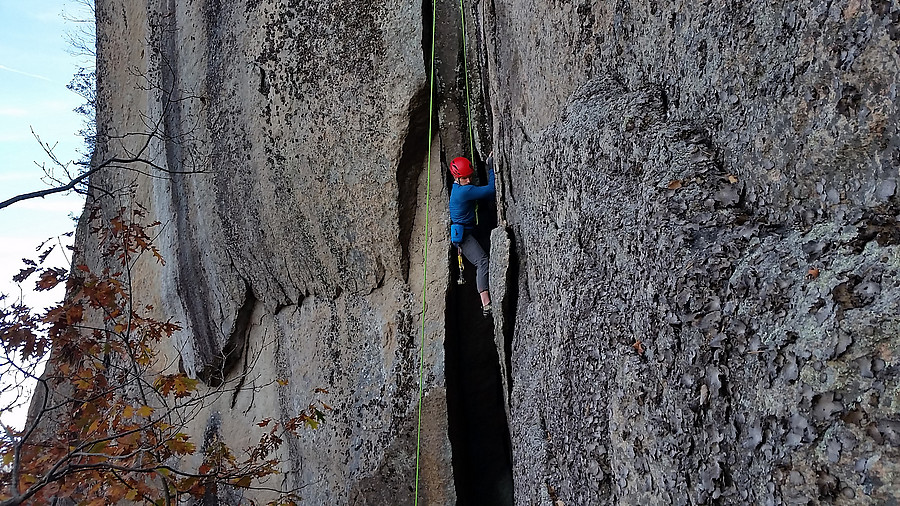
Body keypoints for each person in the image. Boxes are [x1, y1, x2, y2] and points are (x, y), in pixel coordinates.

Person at [448, 155, 495, 316]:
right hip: (464, 237)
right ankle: (486, 303)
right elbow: (491, 190)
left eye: (470, 177)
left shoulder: (459, 187)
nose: (468, 180)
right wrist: (491, 168)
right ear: (457, 177)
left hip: (468, 230)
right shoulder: (464, 191)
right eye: (464, 178)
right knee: (482, 261)